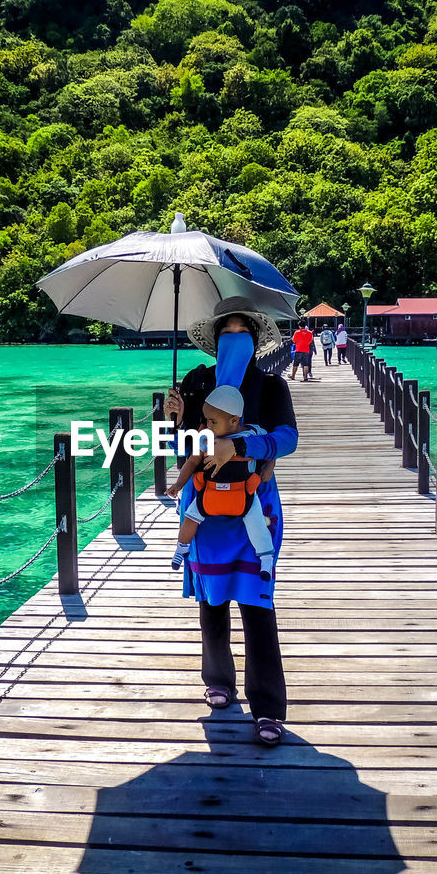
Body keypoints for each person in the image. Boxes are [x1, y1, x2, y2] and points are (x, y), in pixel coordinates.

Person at [163, 297, 298, 746]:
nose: (233, 339)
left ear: (255, 340)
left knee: (258, 604)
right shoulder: (196, 382)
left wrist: (239, 450)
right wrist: (174, 419)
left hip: (254, 505)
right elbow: (182, 448)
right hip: (205, 507)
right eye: (227, 333)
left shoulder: (272, 386)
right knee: (212, 600)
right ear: (216, 340)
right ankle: (218, 680)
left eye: (242, 332)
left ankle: (269, 706)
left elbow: (287, 439)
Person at [168, 384, 275, 582]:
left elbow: (270, 449)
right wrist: (178, 484)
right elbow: (192, 461)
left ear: (234, 421)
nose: (207, 425)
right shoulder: (205, 437)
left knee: (258, 525)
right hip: (210, 496)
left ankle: (266, 559)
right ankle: (181, 548)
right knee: (189, 518)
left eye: (213, 421)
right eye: (206, 420)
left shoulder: (252, 435)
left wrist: (269, 468)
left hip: (244, 497)